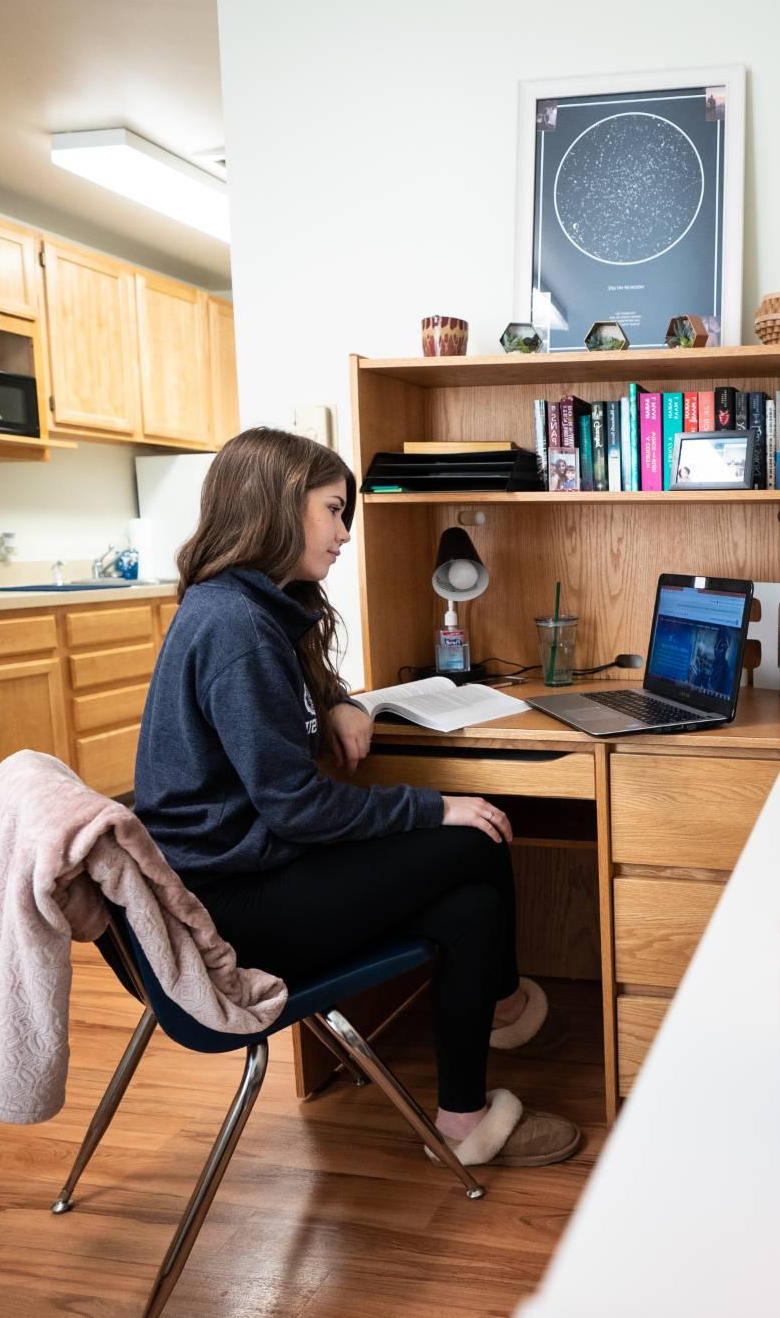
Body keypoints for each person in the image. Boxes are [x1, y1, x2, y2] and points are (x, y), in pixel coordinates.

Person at [132, 429, 580, 1168]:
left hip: (249, 877)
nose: (344, 534)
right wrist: (434, 807)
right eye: (335, 511)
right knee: (475, 835)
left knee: (468, 903)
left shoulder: (245, 608)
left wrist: (339, 699)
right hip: (233, 909)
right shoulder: (238, 627)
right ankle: (502, 1009)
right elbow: (299, 807)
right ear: (277, 506)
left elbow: (275, 728)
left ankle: (466, 1117)